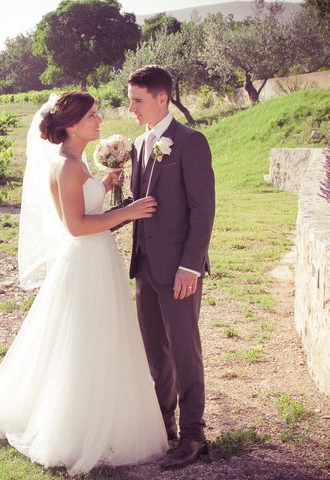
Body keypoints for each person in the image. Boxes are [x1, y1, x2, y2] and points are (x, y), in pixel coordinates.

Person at [0, 91, 167, 475]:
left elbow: (83, 206)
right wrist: (127, 212)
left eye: (98, 114)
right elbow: (78, 226)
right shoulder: (65, 165)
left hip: (97, 260)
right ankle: (76, 429)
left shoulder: (76, 162)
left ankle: (104, 416)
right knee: (84, 342)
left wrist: (103, 183)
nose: (100, 121)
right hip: (86, 261)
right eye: (93, 116)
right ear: (70, 124)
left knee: (100, 339)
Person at [126, 65, 216, 470]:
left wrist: (190, 268)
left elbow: (203, 211)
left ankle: (195, 435)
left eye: (138, 99)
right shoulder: (139, 144)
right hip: (145, 265)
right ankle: (166, 426)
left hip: (179, 270)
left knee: (184, 351)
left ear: (162, 98)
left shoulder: (190, 142)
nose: (131, 107)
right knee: (155, 352)